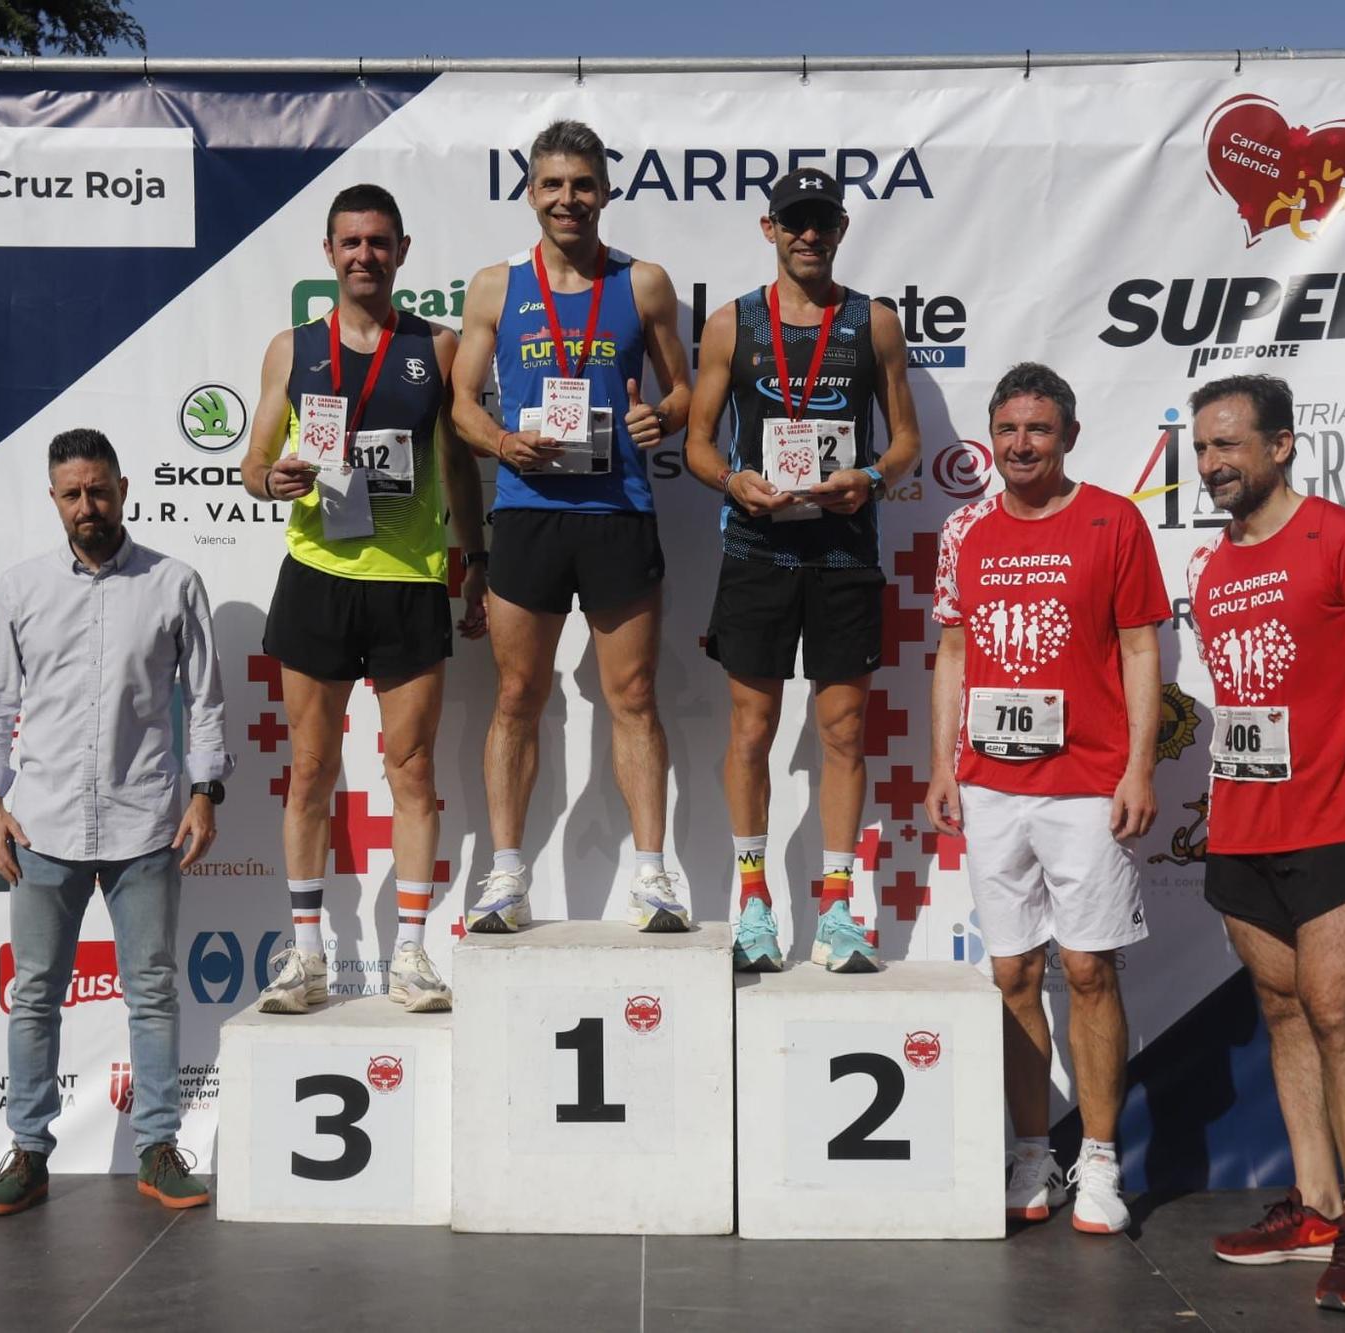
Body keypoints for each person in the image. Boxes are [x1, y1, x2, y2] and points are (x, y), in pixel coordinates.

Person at [1185, 373, 1345, 1313]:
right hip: (1242, 819)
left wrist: (1344, 764)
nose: (1212, 464)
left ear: (1281, 445)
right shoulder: (1214, 565)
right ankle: (1319, 1205)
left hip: (1337, 818)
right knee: (1283, 1008)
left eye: (1229, 446)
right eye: (1203, 448)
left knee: (1338, 1009)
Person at [924, 362, 1168, 1235]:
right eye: (1008, 429)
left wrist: (1138, 767)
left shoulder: (1114, 519)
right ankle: (1033, 1150)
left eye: (1038, 429)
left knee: (1089, 969)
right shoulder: (964, 530)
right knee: (1012, 971)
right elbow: (952, 651)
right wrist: (944, 763)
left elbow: (1142, 650)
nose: (1020, 445)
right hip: (992, 786)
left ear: (1068, 435)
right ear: (991, 437)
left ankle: (1100, 1159)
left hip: (1084, 784)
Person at [0, 428, 232, 1217]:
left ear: (123, 488)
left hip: (145, 818)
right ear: (54, 500)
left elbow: (206, 699)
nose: (89, 505)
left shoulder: (175, 583)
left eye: (100, 490)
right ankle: (29, 1151)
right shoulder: (19, 589)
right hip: (40, 825)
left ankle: (157, 1147)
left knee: (151, 991)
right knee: (36, 993)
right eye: (73, 494)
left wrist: (205, 792)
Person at [240, 183, 488, 1016]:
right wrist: (273, 479)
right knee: (310, 767)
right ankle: (306, 954)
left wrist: (473, 558)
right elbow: (253, 464)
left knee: (410, 768)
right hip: (317, 576)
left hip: (409, 582)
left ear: (403, 251)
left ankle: (411, 953)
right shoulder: (292, 348)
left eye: (379, 242)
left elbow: (459, 465)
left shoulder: (439, 347)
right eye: (350, 242)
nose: (364, 256)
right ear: (328, 252)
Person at [449, 120, 694, 933]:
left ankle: (654, 878)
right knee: (517, 694)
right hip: (529, 511)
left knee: (632, 695)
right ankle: (507, 876)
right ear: (530, 193)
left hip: (618, 510)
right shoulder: (494, 286)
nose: (567, 199)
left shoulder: (645, 283)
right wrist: (500, 439)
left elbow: (683, 390)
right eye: (552, 185)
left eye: (582, 185)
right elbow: (460, 403)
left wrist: (662, 416)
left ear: (606, 192)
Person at [682, 168, 920, 973]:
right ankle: (752, 901)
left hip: (844, 551)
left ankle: (839, 912)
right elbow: (699, 443)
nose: (808, 235)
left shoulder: (874, 323)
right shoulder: (731, 325)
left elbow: (906, 443)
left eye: (821, 221)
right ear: (768, 228)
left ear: (842, 229)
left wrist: (874, 480)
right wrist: (730, 480)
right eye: (794, 221)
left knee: (844, 733)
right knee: (751, 729)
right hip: (758, 550)